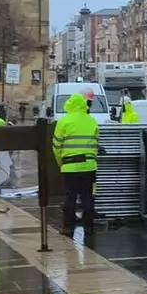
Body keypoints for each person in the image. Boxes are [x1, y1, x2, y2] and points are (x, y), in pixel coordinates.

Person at [53, 92, 100, 237]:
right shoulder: (92, 121)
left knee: (70, 197)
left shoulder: (63, 121)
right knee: (87, 196)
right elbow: (96, 144)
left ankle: (68, 227)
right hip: (89, 166)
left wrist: (61, 163)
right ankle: (89, 227)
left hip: (69, 166)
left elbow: (56, 146)